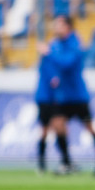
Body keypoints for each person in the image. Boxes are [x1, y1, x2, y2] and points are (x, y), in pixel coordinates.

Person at [38, 16, 95, 177]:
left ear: (68, 27)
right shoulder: (55, 45)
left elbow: (66, 63)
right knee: (57, 125)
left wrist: (48, 53)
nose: (56, 28)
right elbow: (51, 66)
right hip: (63, 97)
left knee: (90, 128)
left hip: (78, 96)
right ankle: (66, 162)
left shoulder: (75, 43)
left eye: (59, 25)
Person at [34, 45, 62, 173]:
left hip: (46, 99)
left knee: (51, 130)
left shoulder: (46, 62)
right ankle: (43, 161)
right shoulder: (48, 62)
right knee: (52, 130)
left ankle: (43, 162)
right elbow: (54, 82)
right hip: (48, 100)